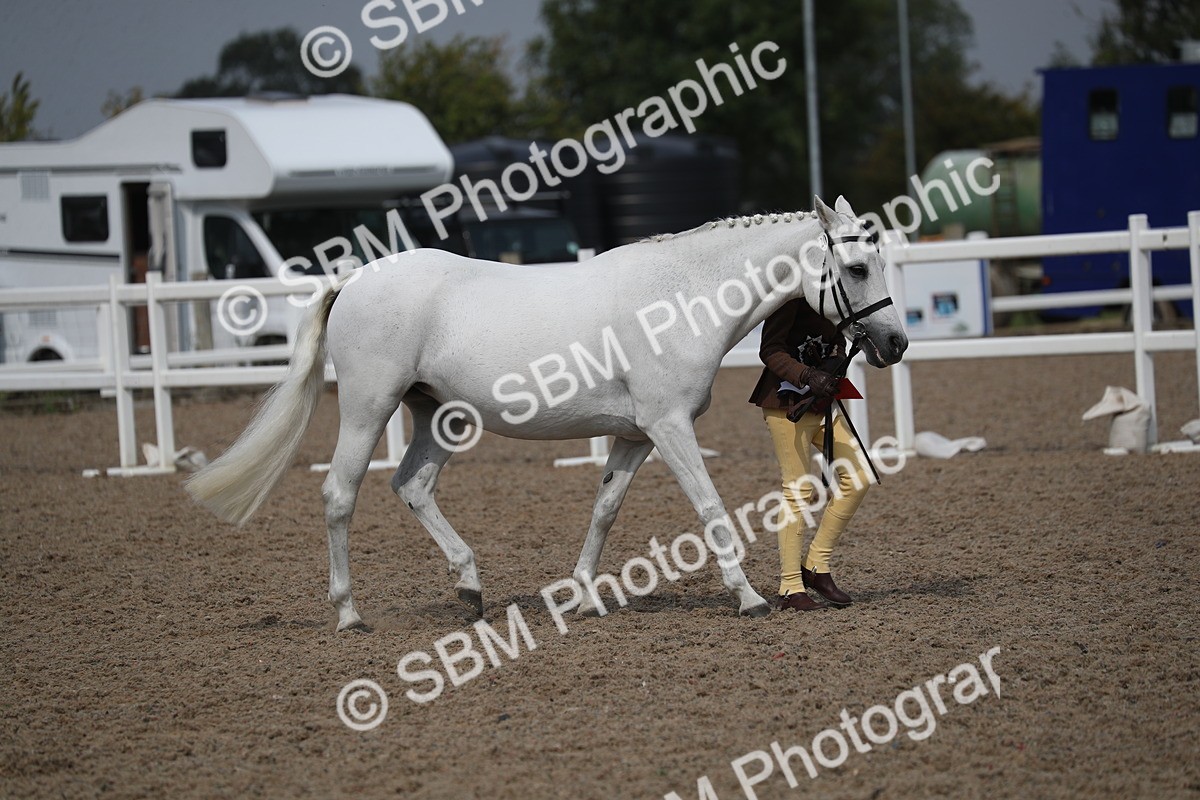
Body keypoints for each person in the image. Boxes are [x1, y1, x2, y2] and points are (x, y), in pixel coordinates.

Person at [748, 298, 870, 611]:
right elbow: (770, 349)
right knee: (798, 489)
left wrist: (835, 362)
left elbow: (836, 339)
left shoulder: (830, 295)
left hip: (823, 401)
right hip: (785, 403)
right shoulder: (788, 299)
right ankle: (790, 587)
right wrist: (808, 376)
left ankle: (816, 565)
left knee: (858, 478)